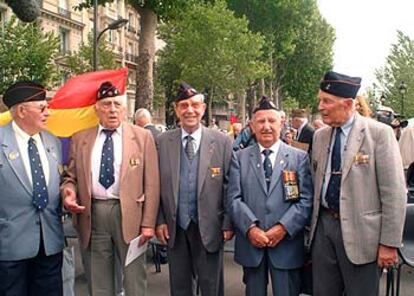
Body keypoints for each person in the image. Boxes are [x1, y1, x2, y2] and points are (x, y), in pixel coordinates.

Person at [310, 71, 407, 296]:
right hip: (324, 230)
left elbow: (394, 193)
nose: (321, 107)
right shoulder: (320, 136)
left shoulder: (379, 134)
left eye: (327, 101)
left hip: (363, 236)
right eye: (320, 101)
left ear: (347, 104)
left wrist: (389, 244)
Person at [61, 81, 160, 296]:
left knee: (135, 281)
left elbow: (152, 184)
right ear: (97, 108)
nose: (112, 109)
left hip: (131, 216)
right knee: (99, 282)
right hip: (93, 214)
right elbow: (71, 177)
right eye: (106, 104)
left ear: (125, 108)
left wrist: (148, 224)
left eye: (117, 104)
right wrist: (68, 192)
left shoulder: (142, 137)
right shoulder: (80, 139)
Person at [228, 96, 313, 296]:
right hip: (251, 245)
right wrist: (250, 228)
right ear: (252, 126)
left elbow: (306, 200)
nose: (266, 126)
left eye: (272, 121)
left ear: (281, 124)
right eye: (261, 121)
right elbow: (233, 198)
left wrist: (283, 228)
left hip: (287, 244)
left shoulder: (299, 157)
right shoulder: (239, 158)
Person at [155, 82, 233, 296]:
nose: (189, 110)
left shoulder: (223, 141)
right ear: (176, 109)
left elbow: (229, 185)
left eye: (195, 105)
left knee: (211, 286)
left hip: (210, 227)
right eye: (184, 105)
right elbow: (155, 185)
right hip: (175, 227)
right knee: (179, 286)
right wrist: (160, 220)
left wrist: (227, 222)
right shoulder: (162, 142)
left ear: (203, 108)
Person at [0, 81, 65, 295]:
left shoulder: (52, 141)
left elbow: (59, 181)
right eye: (42, 108)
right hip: (10, 246)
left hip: (50, 244)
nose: (48, 113)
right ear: (21, 111)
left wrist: (68, 191)